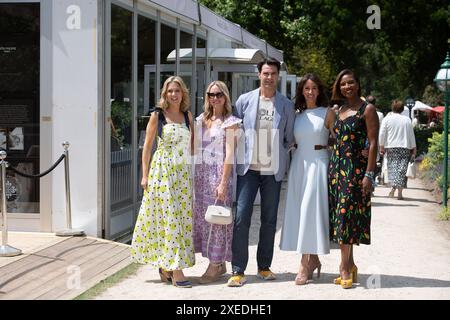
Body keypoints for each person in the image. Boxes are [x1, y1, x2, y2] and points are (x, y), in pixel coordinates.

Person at [227, 58, 295, 287]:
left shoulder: (286, 105)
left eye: (273, 73)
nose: (269, 77)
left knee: (269, 220)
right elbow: (235, 131)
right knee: (241, 217)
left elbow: (288, 139)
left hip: (272, 172)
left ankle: (264, 267)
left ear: (278, 76)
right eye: (265, 73)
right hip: (249, 170)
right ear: (259, 74)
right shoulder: (244, 101)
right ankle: (238, 270)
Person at [130, 76, 195, 288]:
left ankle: (166, 267)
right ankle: (176, 270)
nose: (173, 94)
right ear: (165, 94)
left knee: (180, 221)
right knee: (170, 220)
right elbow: (147, 148)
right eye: (170, 91)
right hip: (163, 173)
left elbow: (192, 148)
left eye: (177, 90)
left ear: (183, 93)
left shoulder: (187, 116)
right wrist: (145, 175)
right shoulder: (157, 116)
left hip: (182, 175)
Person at [326, 69, 379, 289]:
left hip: (355, 174)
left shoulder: (367, 109)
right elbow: (335, 140)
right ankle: (352, 264)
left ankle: (344, 268)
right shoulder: (338, 110)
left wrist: (369, 173)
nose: (347, 87)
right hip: (336, 172)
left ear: (358, 84)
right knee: (341, 220)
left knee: (346, 217)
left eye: (350, 83)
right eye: (343, 84)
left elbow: (373, 143)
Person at [279, 73, 331, 285]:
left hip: (319, 163)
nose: (310, 92)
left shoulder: (328, 113)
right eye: (306, 88)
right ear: (301, 91)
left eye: (314, 88)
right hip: (299, 163)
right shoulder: (296, 114)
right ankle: (314, 259)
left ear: (319, 91)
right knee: (301, 213)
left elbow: (341, 139)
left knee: (311, 210)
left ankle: (304, 263)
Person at [193, 81, 241, 284]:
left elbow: (229, 154)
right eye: (211, 94)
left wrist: (223, 183)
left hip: (218, 176)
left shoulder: (231, 122)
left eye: (219, 94)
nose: (215, 98)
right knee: (205, 220)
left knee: (218, 221)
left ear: (225, 96)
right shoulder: (201, 120)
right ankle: (217, 263)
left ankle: (215, 264)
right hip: (201, 177)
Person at [379, 99, 417, 200]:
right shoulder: (407, 120)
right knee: (402, 170)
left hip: (391, 146)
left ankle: (393, 187)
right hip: (404, 147)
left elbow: (382, 133)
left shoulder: (387, 119)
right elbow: (411, 135)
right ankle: (399, 193)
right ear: (402, 109)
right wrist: (414, 147)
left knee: (392, 168)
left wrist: (381, 145)